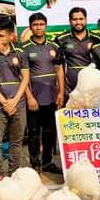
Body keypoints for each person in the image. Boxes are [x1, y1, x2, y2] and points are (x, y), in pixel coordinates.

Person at [0, 15, 27, 180]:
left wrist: (14, 101)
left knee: (17, 141)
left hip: (18, 104)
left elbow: (25, 79)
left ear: (10, 36)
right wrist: (4, 102)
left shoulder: (20, 53)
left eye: (1, 35)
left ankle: (14, 173)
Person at [20, 12, 64, 175]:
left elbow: (59, 70)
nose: (38, 27)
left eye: (41, 24)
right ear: (30, 27)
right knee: (33, 132)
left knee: (50, 131)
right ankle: (34, 164)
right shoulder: (24, 49)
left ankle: (47, 162)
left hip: (52, 96)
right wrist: (29, 96)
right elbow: (22, 76)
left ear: (45, 25)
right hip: (34, 98)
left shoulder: (54, 47)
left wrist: (60, 92)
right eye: (35, 25)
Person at [56, 7, 99, 95]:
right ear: (70, 21)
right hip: (69, 89)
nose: (78, 22)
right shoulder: (61, 39)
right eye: (75, 19)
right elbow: (57, 67)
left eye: (81, 19)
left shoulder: (96, 39)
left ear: (86, 20)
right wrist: (60, 91)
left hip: (91, 87)